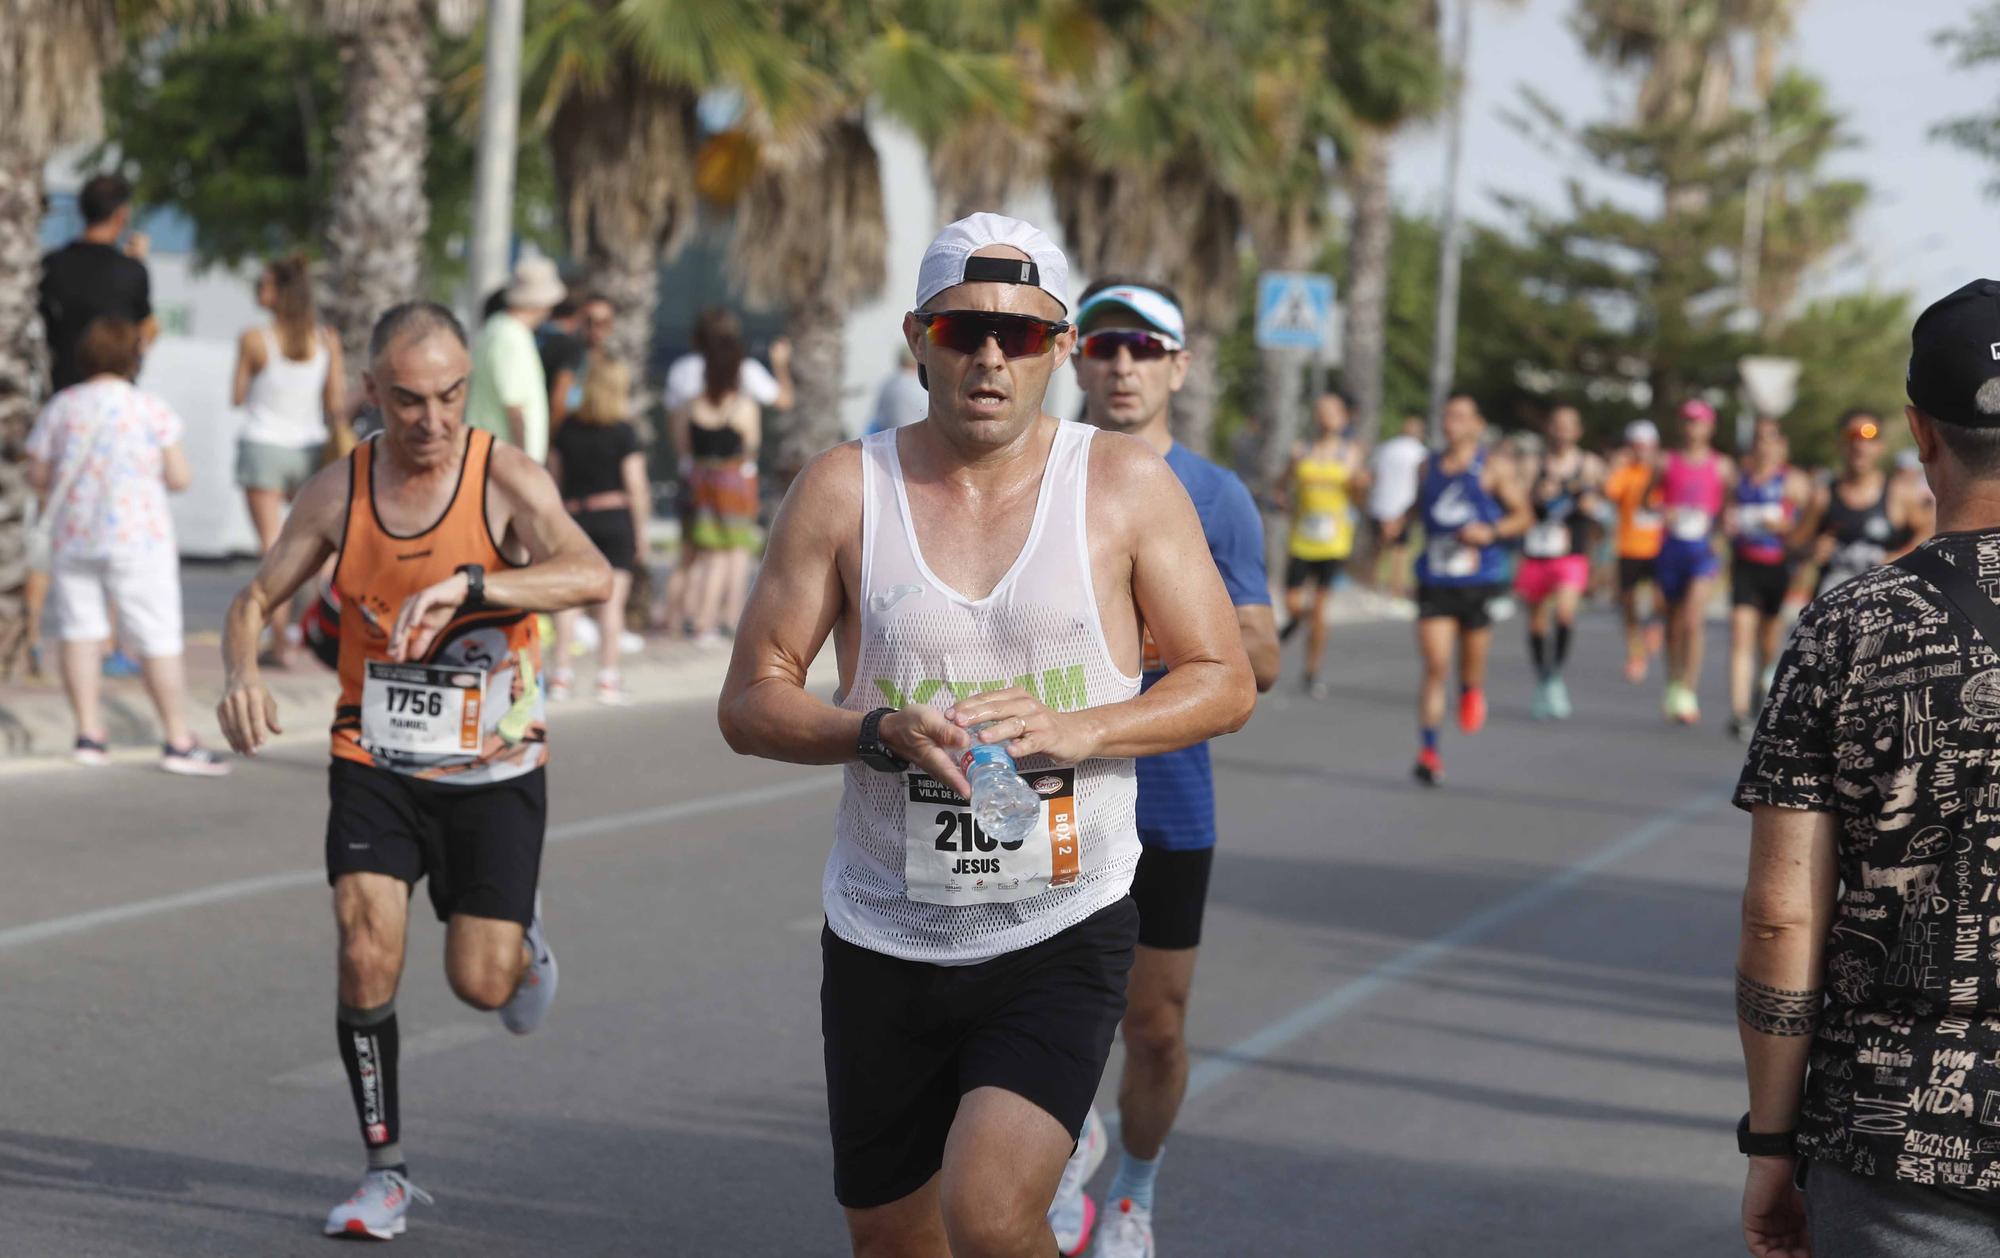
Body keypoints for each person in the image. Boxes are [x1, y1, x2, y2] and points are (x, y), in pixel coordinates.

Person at [715, 213, 1255, 1258]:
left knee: (991, 1213)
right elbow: (749, 698)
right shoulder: (842, 488)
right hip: (883, 926)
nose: (989, 357)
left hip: (1060, 918)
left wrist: (1076, 729)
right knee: (890, 1237)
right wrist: (869, 729)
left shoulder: (1124, 489)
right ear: (920, 337)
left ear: (1059, 349)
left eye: (1019, 333)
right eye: (963, 330)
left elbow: (1222, 679)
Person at [213, 302, 612, 1241]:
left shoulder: (501, 476)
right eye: (407, 401)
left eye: (448, 396)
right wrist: (238, 672)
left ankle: (520, 939)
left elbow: (589, 571)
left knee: (482, 984)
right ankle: (383, 1173)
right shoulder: (339, 492)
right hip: (374, 756)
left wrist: (480, 586)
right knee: (362, 946)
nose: (430, 420)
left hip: (496, 765)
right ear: (370, 394)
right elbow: (255, 595)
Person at [1732, 278, 2000, 1258]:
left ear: (1916, 431)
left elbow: (1779, 913)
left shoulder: (1846, 627)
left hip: (1893, 1134)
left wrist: (1768, 1137)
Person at [1054, 278, 1280, 1258]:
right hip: (1050, 793)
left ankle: (1134, 1193)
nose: (1121, 365)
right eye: (1103, 346)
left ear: (1177, 367)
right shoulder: (1034, 474)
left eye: (1144, 348)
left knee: (1152, 1025)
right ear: (1073, 358)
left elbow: (1259, 656)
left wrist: (1146, 642)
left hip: (1167, 800)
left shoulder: (1215, 495)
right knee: (1052, 1011)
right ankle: (1062, 1147)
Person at [24, 317, 228, 775]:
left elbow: (38, 474)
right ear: (134, 357)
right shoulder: (149, 409)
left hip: (75, 536)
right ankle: (177, 739)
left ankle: (89, 735)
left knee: (79, 632)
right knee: (156, 635)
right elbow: (179, 476)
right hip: (139, 538)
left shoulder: (62, 406)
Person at [1408, 394, 1531, 786]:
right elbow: (1418, 510)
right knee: (1435, 666)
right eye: (1447, 416)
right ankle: (1429, 752)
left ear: (1477, 424)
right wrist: (1395, 525)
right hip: (1435, 579)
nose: (1451, 423)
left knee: (1470, 664)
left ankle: (1471, 689)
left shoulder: (1492, 468)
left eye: (1461, 417)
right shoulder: (1427, 467)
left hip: (1478, 581)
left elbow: (1523, 516)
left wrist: (1490, 532)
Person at [232, 253, 347, 668]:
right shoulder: (326, 340)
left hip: (263, 444)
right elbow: (334, 402)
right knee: (319, 546)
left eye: (264, 285)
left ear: (281, 294)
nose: (258, 292)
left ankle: (278, 640)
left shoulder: (254, 339)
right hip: (310, 448)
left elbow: (237, 395)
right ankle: (317, 628)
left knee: (272, 545)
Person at [549, 351, 647, 705]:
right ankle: (607, 677)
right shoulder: (623, 432)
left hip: (576, 519)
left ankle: (561, 675)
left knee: (569, 602)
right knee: (612, 604)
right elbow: (635, 486)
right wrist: (642, 532)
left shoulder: (567, 430)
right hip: (615, 517)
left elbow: (553, 481)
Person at [672, 317, 763, 646]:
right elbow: (751, 445)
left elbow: (682, 446)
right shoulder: (742, 406)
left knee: (703, 553)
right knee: (734, 554)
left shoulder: (691, 405)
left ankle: (690, 617)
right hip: (734, 480)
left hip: (701, 479)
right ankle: (717, 619)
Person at [1514, 404, 1604, 721]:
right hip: (1537, 550)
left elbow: (1595, 507)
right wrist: (1538, 496)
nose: (1562, 431)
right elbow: (1519, 504)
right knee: (1536, 620)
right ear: (1548, 428)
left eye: (1569, 425)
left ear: (1577, 431)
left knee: (1565, 614)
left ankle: (1555, 675)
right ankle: (1544, 677)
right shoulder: (1531, 463)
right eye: (1556, 424)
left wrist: (1575, 496)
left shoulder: (1589, 464)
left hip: (1571, 552)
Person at [1724, 420, 1810, 741]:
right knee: (1740, 633)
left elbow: (1806, 527)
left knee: (1767, 638)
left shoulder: (1793, 481)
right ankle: (1739, 711)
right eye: (1758, 439)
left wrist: (1785, 528)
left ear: (1780, 444)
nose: (1764, 446)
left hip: (1778, 566)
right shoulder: (1740, 479)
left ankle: (1764, 684)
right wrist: (1730, 523)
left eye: (1770, 439)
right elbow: (1727, 515)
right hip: (1745, 564)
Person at [1651, 400, 1732, 726]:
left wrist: (1719, 532)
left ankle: (1689, 688)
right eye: (1687, 421)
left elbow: (1728, 508)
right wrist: (1662, 510)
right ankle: (1673, 679)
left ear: (1709, 427)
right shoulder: (1665, 462)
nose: (1692, 428)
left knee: (1692, 620)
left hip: (1702, 550)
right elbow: (1648, 499)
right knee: (1672, 622)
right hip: (1672, 548)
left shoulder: (1722, 466)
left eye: (1698, 422)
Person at [39, 173, 155, 395]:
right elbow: (146, 333)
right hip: (116, 398)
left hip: (62, 392)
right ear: (121, 215)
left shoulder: (52, 264)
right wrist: (136, 262)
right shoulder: (132, 272)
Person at [1798, 411, 1931, 596]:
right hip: (1833, 607)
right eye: (1852, 436)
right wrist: (1811, 548)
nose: (1860, 446)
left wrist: (1901, 557)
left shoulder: (1899, 494)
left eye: (1870, 437)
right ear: (1840, 445)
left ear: (1881, 446)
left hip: (1883, 609)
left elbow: (1929, 534)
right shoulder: (1823, 495)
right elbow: (1793, 544)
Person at [465, 255, 565, 463]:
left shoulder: (496, 329)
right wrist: (523, 464)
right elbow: (515, 407)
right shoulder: (511, 337)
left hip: (490, 455)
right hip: (503, 461)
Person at [1604, 420, 1666, 684]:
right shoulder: (1625, 473)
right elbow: (1609, 493)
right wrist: (1616, 465)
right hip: (1629, 546)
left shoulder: (1661, 472)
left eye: (1647, 446)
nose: (1642, 451)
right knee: (1627, 603)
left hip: (1659, 547)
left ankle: (1654, 627)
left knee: (1662, 599)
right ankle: (1635, 653)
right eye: (1637, 446)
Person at [663, 307, 794, 414]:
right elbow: (785, 401)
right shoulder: (747, 369)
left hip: (692, 445)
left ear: (696, 338)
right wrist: (780, 364)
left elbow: (672, 410)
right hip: (737, 442)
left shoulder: (682, 368)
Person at [1366, 415, 1429, 600]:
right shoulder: (1421, 453)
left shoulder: (1385, 448)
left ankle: (1373, 585)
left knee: (1378, 547)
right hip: (1404, 507)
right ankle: (1396, 589)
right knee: (1400, 551)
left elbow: (1372, 474)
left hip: (1380, 504)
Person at [537, 299, 587, 433]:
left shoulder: (531, 336)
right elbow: (560, 399)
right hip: (547, 426)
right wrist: (550, 435)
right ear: (574, 318)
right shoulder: (570, 347)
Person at [867, 351, 930, 434]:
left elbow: (879, 418)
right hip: (916, 438)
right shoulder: (917, 384)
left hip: (889, 438)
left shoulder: (888, 383)